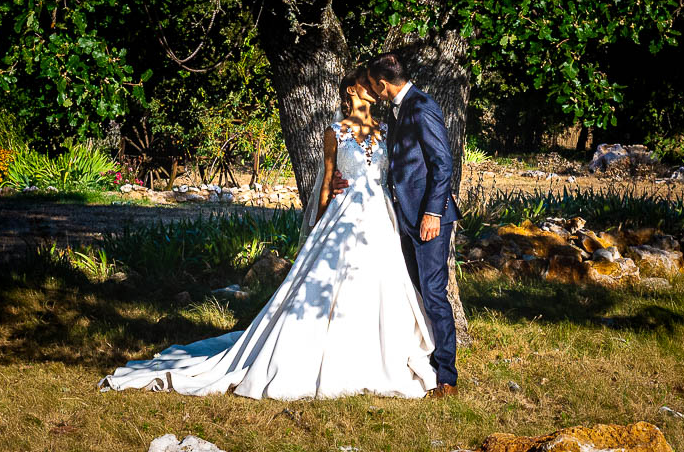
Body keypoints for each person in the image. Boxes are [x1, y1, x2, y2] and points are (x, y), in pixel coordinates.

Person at [100, 73, 437, 398]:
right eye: (366, 83)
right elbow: (327, 182)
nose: (374, 89)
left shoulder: (387, 129)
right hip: (343, 216)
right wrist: (319, 224)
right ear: (351, 90)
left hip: (380, 215)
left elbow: (404, 171)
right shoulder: (335, 131)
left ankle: (378, 352)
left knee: (381, 283)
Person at [359, 52, 460, 396]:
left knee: (434, 294)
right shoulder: (398, 109)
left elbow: (443, 164)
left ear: (383, 83)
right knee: (416, 292)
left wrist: (432, 213)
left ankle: (447, 376)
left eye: (374, 86)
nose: (373, 92)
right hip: (405, 218)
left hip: (429, 219)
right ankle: (425, 360)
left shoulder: (421, 107)